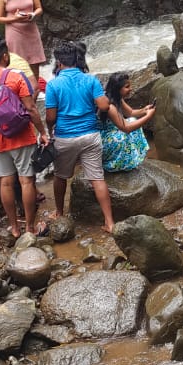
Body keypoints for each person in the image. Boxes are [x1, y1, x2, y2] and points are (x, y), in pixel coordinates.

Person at [0, 33, 48, 236]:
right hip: (23, 137)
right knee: (27, 181)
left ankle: (14, 228)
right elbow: (31, 108)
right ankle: (30, 227)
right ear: (5, 56)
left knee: (5, 182)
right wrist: (42, 132)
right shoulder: (15, 76)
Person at [44, 41, 115, 232]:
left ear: (59, 62)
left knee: (60, 176)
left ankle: (59, 212)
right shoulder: (90, 80)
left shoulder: (53, 84)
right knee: (97, 178)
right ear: (76, 60)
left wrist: (49, 130)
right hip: (90, 135)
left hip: (65, 137)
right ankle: (109, 222)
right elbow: (104, 106)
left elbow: (50, 117)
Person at [0, 0, 46, 79]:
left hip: (31, 31)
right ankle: (20, 87)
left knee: (35, 62)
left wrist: (33, 14)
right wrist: (15, 19)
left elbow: (39, 8)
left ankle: (35, 87)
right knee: (17, 64)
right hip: (14, 33)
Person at [99, 72, 156, 172]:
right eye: (127, 87)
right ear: (117, 89)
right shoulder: (110, 106)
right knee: (122, 136)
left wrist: (145, 110)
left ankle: (136, 156)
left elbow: (130, 112)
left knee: (133, 120)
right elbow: (126, 128)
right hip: (105, 138)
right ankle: (115, 163)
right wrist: (148, 116)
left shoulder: (117, 98)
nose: (131, 89)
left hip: (114, 130)